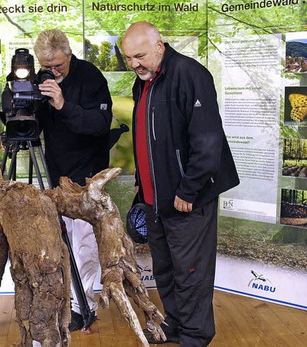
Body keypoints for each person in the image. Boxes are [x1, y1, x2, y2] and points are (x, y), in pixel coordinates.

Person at [121, 22, 239, 346]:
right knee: (166, 269)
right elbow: (149, 140)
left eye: (140, 56)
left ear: (159, 45)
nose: (134, 64)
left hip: (186, 199)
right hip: (155, 199)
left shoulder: (190, 75)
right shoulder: (143, 82)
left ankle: (195, 335)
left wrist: (189, 190)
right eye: (129, 58)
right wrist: (141, 185)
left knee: (190, 273)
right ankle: (174, 324)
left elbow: (208, 142)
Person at [32, 29, 113, 331]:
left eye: (57, 66)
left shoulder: (90, 77)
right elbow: (32, 119)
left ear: (68, 54)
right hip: (55, 176)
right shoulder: (42, 78)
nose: (52, 72)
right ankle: (65, 300)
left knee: (83, 244)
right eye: (46, 66)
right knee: (60, 244)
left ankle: (84, 307)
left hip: (86, 176)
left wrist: (63, 103)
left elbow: (100, 124)